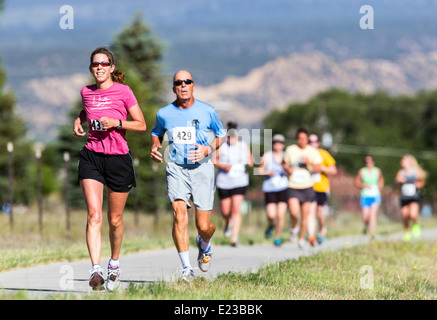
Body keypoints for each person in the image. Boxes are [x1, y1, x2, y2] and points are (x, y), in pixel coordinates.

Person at [73, 46, 147, 291]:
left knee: (114, 219)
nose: (100, 67)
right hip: (92, 157)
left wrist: (117, 122)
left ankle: (114, 264)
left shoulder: (124, 91)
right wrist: (78, 119)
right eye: (95, 64)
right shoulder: (86, 91)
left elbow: (141, 124)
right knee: (94, 215)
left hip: (118, 159)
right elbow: (89, 109)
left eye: (104, 64)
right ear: (91, 68)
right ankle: (95, 270)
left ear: (112, 68)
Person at [150, 70, 226, 281]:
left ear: (193, 85)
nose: (183, 85)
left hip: (202, 168)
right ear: (174, 87)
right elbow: (156, 133)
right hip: (176, 168)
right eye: (179, 82)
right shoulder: (164, 113)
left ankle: (205, 244)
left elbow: (221, 135)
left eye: (187, 82)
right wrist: (155, 147)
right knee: (179, 213)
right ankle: (186, 269)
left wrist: (207, 150)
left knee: (204, 227)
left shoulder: (207, 111)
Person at [213, 121, 254, 247]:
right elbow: (213, 160)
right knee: (226, 211)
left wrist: (247, 161)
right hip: (224, 181)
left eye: (234, 137)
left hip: (240, 180)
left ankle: (234, 237)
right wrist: (223, 166)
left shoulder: (243, 146)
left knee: (236, 207)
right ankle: (227, 222)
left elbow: (251, 161)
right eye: (230, 137)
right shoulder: (222, 146)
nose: (232, 139)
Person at [282, 128, 322, 248]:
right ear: (297, 139)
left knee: (305, 215)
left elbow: (319, 168)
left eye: (304, 139)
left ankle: (301, 239)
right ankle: (294, 226)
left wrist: (309, 162)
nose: (302, 141)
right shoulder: (290, 150)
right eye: (300, 138)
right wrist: (288, 169)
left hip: (307, 186)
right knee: (294, 212)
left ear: (307, 139)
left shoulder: (312, 151)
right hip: (293, 185)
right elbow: (284, 163)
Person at [258, 134, 289, 247]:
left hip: (283, 187)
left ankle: (277, 237)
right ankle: (271, 225)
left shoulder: (287, 156)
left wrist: (286, 169)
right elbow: (259, 171)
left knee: (281, 215)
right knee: (271, 215)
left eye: (280, 142)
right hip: (270, 188)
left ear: (283, 145)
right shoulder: (267, 156)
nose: (278, 144)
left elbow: (292, 171)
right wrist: (268, 172)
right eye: (275, 142)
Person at [307, 134, 337, 246]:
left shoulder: (323, 154)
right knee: (310, 212)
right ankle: (311, 235)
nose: (312, 143)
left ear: (318, 143)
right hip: (308, 186)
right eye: (310, 141)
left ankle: (322, 229)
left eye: (315, 141)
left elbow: (334, 170)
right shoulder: (305, 154)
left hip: (322, 187)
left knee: (319, 212)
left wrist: (320, 168)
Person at [394, 154, 427, 242]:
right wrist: (398, 181)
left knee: (413, 214)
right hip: (404, 196)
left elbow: (422, 182)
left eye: (403, 160)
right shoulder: (401, 172)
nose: (401, 162)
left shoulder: (416, 172)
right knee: (405, 215)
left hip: (414, 196)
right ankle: (407, 232)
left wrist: (418, 185)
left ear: (409, 162)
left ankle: (415, 225)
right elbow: (395, 184)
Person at [354, 155, 384, 239]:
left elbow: (381, 180)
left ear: (373, 163)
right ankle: (366, 225)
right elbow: (356, 182)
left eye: (370, 162)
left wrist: (380, 186)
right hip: (365, 195)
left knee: (373, 214)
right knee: (366, 216)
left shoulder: (377, 171)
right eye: (367, 162)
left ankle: (372, 233)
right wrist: (362, 185)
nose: (369, 164)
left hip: (375, 195)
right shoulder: (362, 171)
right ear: (365, 163)